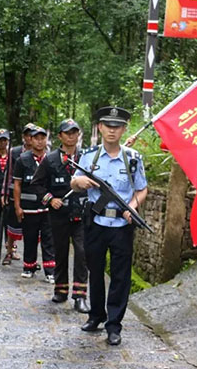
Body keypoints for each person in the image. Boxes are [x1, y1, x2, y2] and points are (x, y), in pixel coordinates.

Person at [70, 106, 148, 346]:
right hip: (95, 222)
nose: (112, 131)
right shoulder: (89, 156)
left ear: (124, 129)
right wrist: (79, 181)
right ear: (100, 128)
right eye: (108, 126)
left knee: (120, 275)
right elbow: (74, 183)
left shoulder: (133, 158)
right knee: (95, 268)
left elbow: (142, 188)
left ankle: (114, 324)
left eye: (117, 127)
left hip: (121, 225)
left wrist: (133, 206)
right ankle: (96, 316)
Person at [30, 119, 90, 313]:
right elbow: (37, 183)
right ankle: (61, 289)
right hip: (59, 215)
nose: (71, 136)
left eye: (74, 132)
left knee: (82, 253)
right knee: (60, 251)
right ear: (60, 136)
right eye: (67, 133)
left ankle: (80, 295)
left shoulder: (87, 157)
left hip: (81, 213)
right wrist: (50, 199)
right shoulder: (51, 159)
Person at [13, 126, 55, 282]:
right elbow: (17, 184)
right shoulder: (22, 160)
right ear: (30, 139)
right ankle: (29, 266)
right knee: (30, 238)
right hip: (28, 206)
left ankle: (50, 270)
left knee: (48, 239)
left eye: (42, 138)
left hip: (47, 207)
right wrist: (17, 207)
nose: (39, 141)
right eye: (36, 138)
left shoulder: (51, 159)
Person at [1, 122, 35, 265]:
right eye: (27, 135)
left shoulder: (43, 152)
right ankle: (9, 251)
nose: (29, 138)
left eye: (32, 135)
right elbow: (8, 173)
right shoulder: (14, 152)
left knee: (34, 228)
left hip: (34, 192)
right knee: (12, 223)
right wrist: (4, 192)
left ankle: (32, 258)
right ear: (23, 136)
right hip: (15, 189)